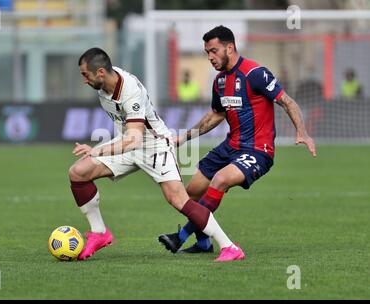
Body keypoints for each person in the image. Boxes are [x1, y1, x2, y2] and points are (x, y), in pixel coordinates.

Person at [70, 47, 244, 262]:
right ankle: (99, 233)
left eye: (85, 74)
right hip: (127, 142)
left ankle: (230, 247)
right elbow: (130, 138)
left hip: (154, 145)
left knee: (179, 199)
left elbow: (135, 139)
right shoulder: (104, 83)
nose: (84, 80)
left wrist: (97, 150)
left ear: (101, 73)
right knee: (78, 172)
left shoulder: (129, 90)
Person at [158, 25, 317, 257]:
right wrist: (184, 137)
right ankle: (203, 244)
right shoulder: (220, 82)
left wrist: (302, 132)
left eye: (213, 51)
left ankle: (181, 237)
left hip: (257, 150)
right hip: (230, 147)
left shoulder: (255, 73)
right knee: (191, 193)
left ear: (229, 47)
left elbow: (288, 102)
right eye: (207, 53)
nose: (210, 57)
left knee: (220, 180)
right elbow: (215, 115)